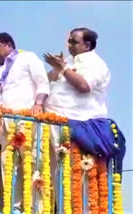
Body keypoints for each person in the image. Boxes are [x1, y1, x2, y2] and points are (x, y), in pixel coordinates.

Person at [44, 28, 125, 211]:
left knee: (78, 182)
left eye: (74, 41)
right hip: (55, 125)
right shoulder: (71, 62)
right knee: (57, 179)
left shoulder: (96, 64)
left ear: (87, 45)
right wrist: (58, 68)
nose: (69, 45)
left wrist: (63, 68)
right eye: (69, 41)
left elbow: (83, 86)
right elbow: (49, 83)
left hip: (80, 129)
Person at [0, 32, 50, 213]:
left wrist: (38, 104)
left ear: (8, 45)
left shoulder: (27, 58)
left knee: (33, 166)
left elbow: (43, 83)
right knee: (8, 168)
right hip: (5, 125)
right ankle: (14, 209)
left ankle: (37, 209)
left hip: (27, 121)